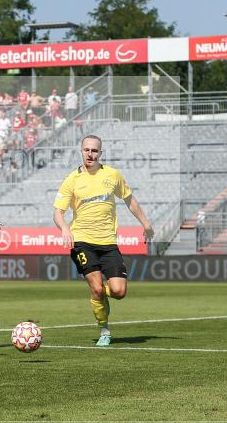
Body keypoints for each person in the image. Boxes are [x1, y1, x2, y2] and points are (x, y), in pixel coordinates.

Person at [52, 135, 154, 347]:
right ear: (81, 151)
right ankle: (104, 330)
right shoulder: (72, 180)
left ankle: (99, 297)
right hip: (81, 241)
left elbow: (129, 200)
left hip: (108, 242)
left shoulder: (112, 175)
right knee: (97, 289)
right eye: (87, 150)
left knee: (119, 291)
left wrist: (145, 224)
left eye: (94, 151)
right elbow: (58, 212)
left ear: (100, 153)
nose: (90, 154)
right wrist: (64, 229)